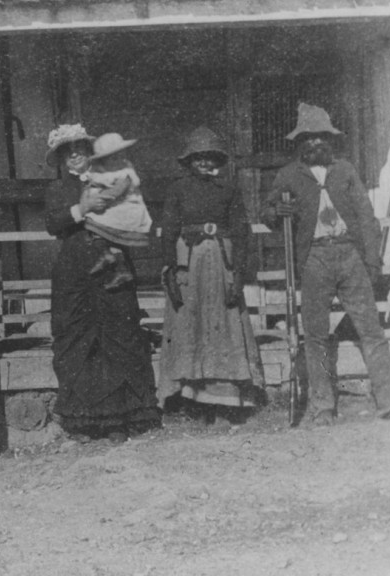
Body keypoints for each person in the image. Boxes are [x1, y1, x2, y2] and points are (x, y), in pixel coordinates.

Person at [262, 103, 390, 425]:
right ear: (299, 142)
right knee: (315, 335)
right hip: (314, 259)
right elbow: (267, 211)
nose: (315, 143)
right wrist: (278, 213)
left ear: (330, 141)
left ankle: (389, 402)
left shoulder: (345, 170)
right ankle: (323, 407)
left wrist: (372, 261)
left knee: (371, 330)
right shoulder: (289, 175)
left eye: (321, 137)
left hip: (350, 256)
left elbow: (366, 217)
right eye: (309, 138)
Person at [43, 124, 160, 443]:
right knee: (78, 335)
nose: (75, 156)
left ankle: (122, 418)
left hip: (111, 262)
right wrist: (82, 209)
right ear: (61, 159)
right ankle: (83, 421)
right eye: (68, 152)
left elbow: (133, 214)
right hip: (74, 267)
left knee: (118, 332)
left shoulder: (110, 176)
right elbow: (53, 223)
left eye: (80, 149)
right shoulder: (58, 189)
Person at [158, 127, 264, 422]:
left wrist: (239, 273)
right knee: (190, 325)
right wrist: (169, 268)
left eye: (209, 157)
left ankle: (227, 399)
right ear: (189, 161)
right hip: (188, 263)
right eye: (197, 158)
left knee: (223, 325)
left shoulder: (228, 189)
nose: (203, 163)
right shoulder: (178, 189)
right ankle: (193, 400)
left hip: (219, 263)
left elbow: (241, 231)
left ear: (217, 160)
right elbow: (168, 231)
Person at [80, 132, 153, 291]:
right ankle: (119, 267)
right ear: (103, 159)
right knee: (110, 236)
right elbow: (96, 184)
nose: (116, 160)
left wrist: (101, 198)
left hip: (128, 210)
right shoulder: (104, 172)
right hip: (116, 210)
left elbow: (116, 192)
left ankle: (107, 255)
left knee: (94, 223)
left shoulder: (125, 172)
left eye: (118, 156)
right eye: (110, 157)